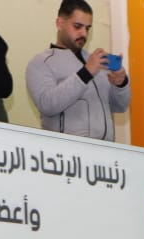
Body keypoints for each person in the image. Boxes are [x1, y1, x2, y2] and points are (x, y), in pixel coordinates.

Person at [26, 0, 131, 142]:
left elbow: (120, 106)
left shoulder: (96, 62)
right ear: (60, 23)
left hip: (106, 151)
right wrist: (85, 73)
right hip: (67, 151)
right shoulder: (41, 62)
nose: (84, 33)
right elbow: (47, 105)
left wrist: (120, 83)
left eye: (88, 28)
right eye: (77, 26)